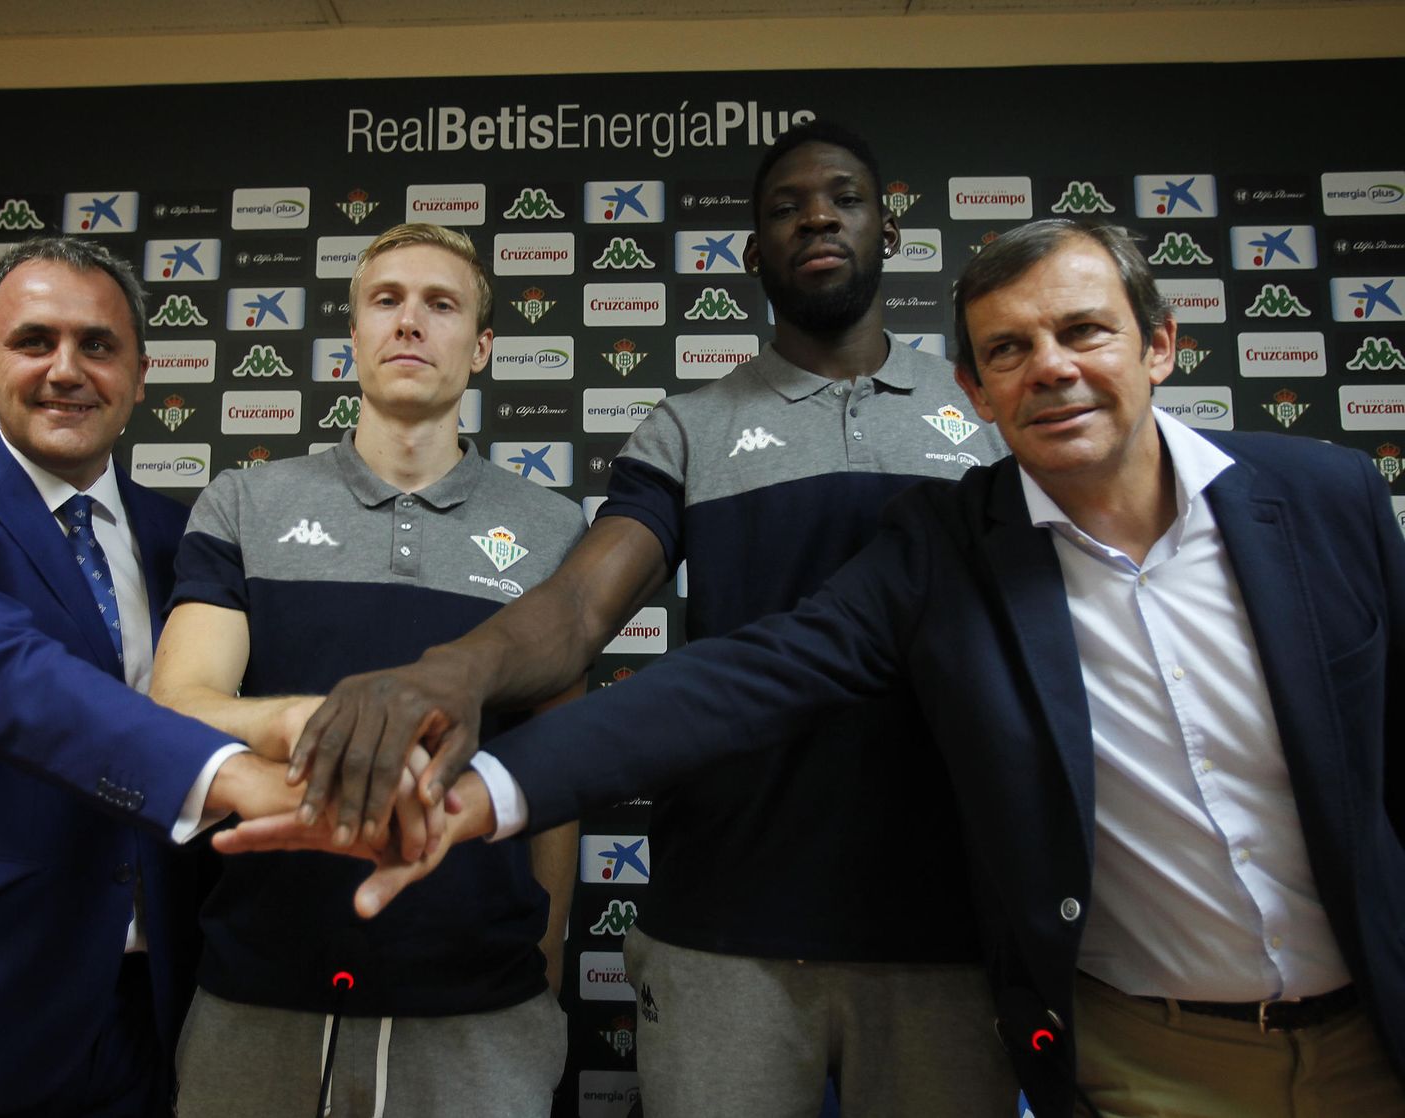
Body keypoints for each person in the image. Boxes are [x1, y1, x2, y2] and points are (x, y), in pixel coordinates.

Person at [229, 218, 1405, 1118]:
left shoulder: (1328, 499)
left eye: (1083, 331)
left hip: (1376, 1028)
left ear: (1159, 343)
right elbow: (733, 677)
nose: (1049, 367)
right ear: (973, 393)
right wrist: (481, 788)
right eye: (1007, 349)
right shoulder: (949, 546)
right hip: (1139, 1057)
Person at [283, 119, 1016, 1116]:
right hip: (725, 927)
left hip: (950, 927)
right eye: (785, 207)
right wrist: (459, 668)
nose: (816, 218)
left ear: (887, 228)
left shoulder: (986, 408)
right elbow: (579, 605)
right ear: (751, 251)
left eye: (843, 198)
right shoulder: (687, 428)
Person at [0, 237, 300, 1118]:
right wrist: (230, 773)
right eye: (34, 341)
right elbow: (11, 680)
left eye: (97, 345)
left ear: (141, 376)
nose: (66, 370)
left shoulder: (186, 540)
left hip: (150, 1019)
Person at [149, 223, 586, 1117]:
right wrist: (307, 721)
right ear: (353, 336)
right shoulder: (245, 502)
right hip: (259, 992)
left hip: (481, 1009)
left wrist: (545, 950)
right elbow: (177, 705)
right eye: (386, 301)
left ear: (482, 346)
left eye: (441, 304)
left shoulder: (553, 529)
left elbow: (560, 767)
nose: (409, 322)